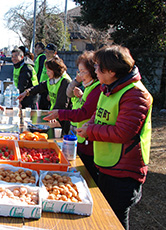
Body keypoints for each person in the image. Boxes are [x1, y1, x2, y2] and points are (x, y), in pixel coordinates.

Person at [76, 45, 152, 230]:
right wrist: (89, 125)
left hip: (124, 171)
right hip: (107, 164)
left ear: (110, 71)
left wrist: (91, 131)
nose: (95, 71)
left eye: (97, 67)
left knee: (115, 220)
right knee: (104, 215)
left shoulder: (136, 94)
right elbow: (99, 114)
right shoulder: (109, 87)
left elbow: (123, 132)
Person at [43, 51, 101, 183]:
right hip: (79, 137)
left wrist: (60, 113)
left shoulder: (96, 89)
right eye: (79, 71)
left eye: (83, 71)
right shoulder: (87, 87)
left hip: (89, 142)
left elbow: (83, 113)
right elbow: (71, 93)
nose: (80, 75)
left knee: (88, 177)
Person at [18, 56, 72, 135]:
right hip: (54, 115)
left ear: (55, 71)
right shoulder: (52, 80)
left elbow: (62, 103)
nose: (47, 73)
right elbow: (41, 87)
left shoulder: (65, 81)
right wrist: (26, 92)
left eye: (49, 71)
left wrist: (53, 115)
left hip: (63, 118)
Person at [38, 43, 58, 110]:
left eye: (50, 52)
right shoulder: (45, 61)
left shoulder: (56, 63)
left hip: (50, 91)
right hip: (43, 87)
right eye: (46, 51)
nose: (47, 54)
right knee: (41, 109)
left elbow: (57, 79)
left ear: (55, 53)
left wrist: (50, 93)